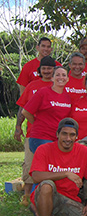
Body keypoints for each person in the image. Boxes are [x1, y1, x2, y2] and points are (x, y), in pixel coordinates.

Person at [14, 56, 57, 205]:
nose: (46, 71)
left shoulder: (58, 86)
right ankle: (27, 195)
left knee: (49, 166)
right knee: (30, 164)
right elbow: (23, 108)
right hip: (33, 133)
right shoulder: (32, 86)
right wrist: (18, 127)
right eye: (44, 68)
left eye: (49, 68)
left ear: (54, 70)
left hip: (52, 135)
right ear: (40, 70)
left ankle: (46, 196)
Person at [22, 66, 72, 153]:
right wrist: (37, 123)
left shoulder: (67, 97)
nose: (61, 78)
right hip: (41, 137)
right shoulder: (43, 92)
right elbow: (26, 111)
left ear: (67, 79)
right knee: (46, 164)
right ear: (52, 78)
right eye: (57, 75)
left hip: (58, 139)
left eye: (64, 75)